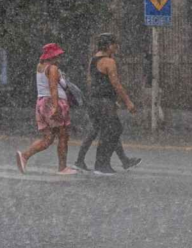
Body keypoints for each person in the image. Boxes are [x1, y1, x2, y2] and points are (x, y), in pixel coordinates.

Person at [16, 43, 78, 175]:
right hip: (53, 102)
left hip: (41, 103)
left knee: (48, 138)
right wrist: (55, 107)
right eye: (58, 55)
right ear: (53, 55)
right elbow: (53, 89)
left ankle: (24, 156)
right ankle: (62, 168)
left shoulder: (40, 67)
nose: (59, 57)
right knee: (63, 135)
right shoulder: (53, 68)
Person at [83, 33, 139, 175]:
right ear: (109, 45)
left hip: (96, 100)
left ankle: (102, 163)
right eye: (114, 44)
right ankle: (101, 164)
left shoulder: (93, 59)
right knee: (113, 130)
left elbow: (91, 81)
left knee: (109, 130)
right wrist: (128, 102)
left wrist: (99, 98)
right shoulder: (109, 62)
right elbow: (116, 84)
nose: (116, 47)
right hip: (104, 102)